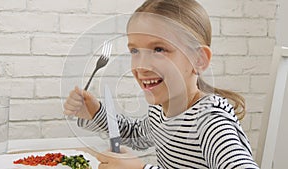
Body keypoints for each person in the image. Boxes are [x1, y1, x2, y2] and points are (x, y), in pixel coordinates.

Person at [63, 0, 259, 168]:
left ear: (198, 59)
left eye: (159, 49)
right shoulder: (160, 111)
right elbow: (135, 134)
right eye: (134, 51)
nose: (141, 66)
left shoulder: (209, 120)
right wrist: (95, 112)